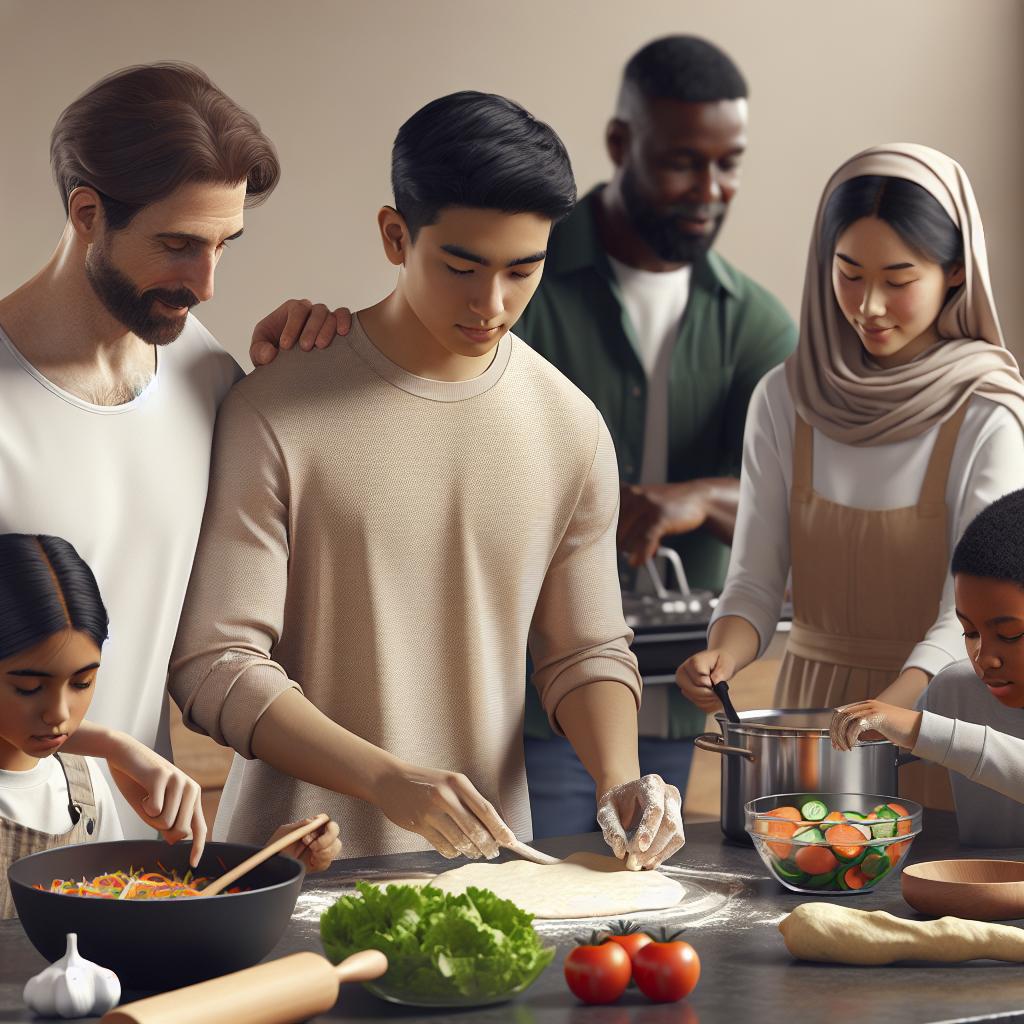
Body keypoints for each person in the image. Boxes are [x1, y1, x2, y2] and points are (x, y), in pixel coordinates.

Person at [169, 91, 685, 869]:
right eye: (462, 266)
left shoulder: (571, 428)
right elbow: (214, 666)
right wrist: (386, 779)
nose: (492, 303)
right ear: (394, 234)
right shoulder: (277, 408)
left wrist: (620, 779)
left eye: (523, 269)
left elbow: (582, 650)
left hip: (493, 884)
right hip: (292, 875)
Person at [0, 62, 340, 835]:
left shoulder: (211, 378)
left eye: (225, 245)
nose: (207, 282)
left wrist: (313, 376)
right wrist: (107, 742)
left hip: (134, 866)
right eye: (180, 244)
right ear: (88, 213)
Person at [678, 143, 1024, 804]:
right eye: (848, 273)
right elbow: (753, 578)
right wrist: (724, 652)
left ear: (954, 271)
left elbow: (970, 615)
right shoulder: (786, 399)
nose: (868, 306)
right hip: (810, 705)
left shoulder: (986, 414)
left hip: (936, 712)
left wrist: (889, 718)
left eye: (898, 279)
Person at [516, 36, 797, 836]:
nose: (709, 190)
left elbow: (803, 506)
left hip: (677, 699)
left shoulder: (758, 323)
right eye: (682, 163)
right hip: (532, 697)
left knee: (647, 907)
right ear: (619, 145)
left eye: (728, 163)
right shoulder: (522, 280)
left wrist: (700, 498)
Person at [0, 533, 341, 919]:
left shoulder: (83, 783)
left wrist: (268, 868)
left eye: (82, 683)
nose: (59, 713)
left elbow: (121, 922)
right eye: (28, 688)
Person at [831, 490, 1024, 846]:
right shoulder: (957, 691)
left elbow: (927, 734)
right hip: (974, 897)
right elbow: (881, 748)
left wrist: (917, 726)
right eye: (970, 632)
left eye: (1009, 634)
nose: (984, 659)